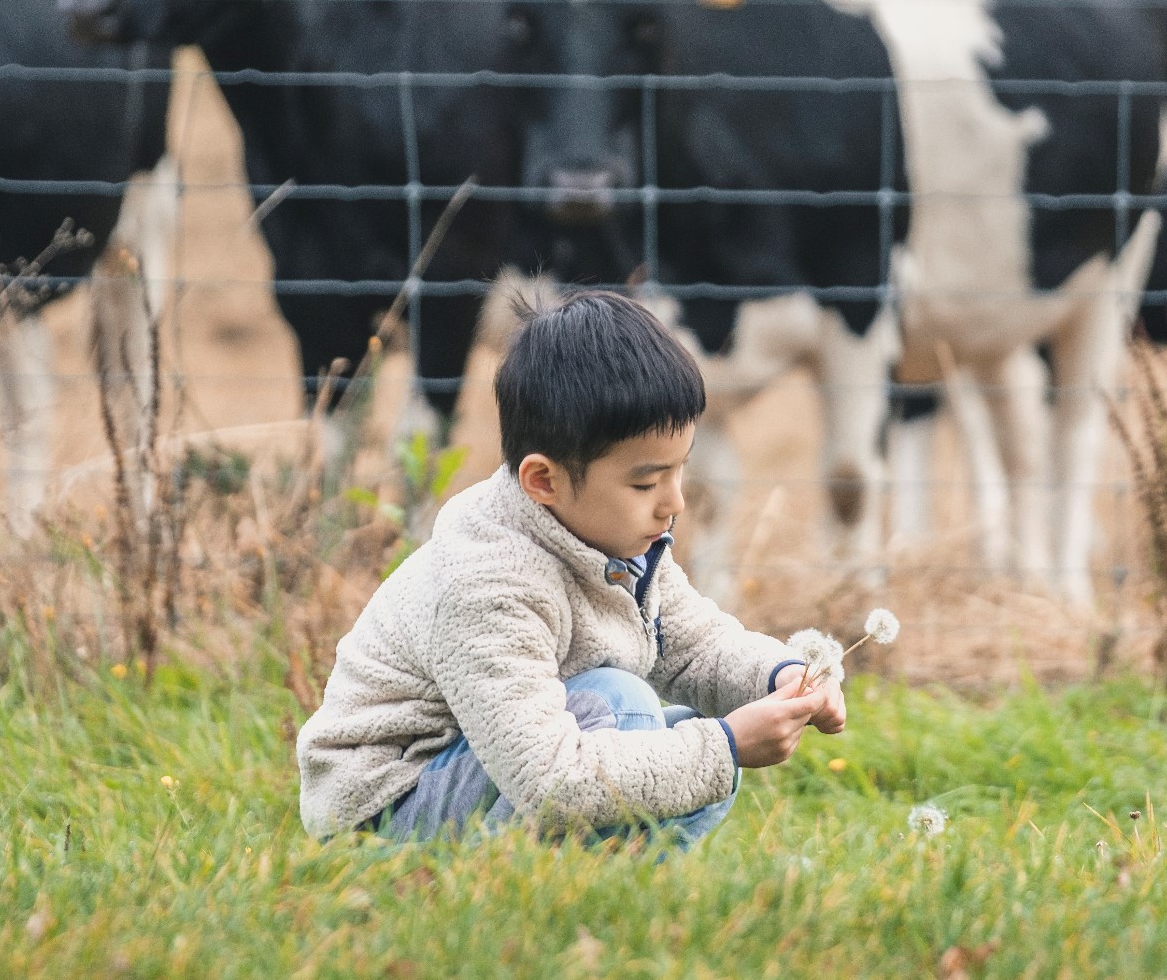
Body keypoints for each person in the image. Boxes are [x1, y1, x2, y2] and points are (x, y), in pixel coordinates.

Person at [297, 290, 846, 847]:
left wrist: (777, 676)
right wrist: (725, 745)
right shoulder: (488, 580)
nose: (674, 502)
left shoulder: (613, 536)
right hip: (388, 806)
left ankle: (608, 892)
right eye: (645, 482)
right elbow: (551, 780)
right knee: (629, 708)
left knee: (686, 750)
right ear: (544, 481)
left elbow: (692, 645)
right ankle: (505, 881)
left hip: (493, 767)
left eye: (679, 470)